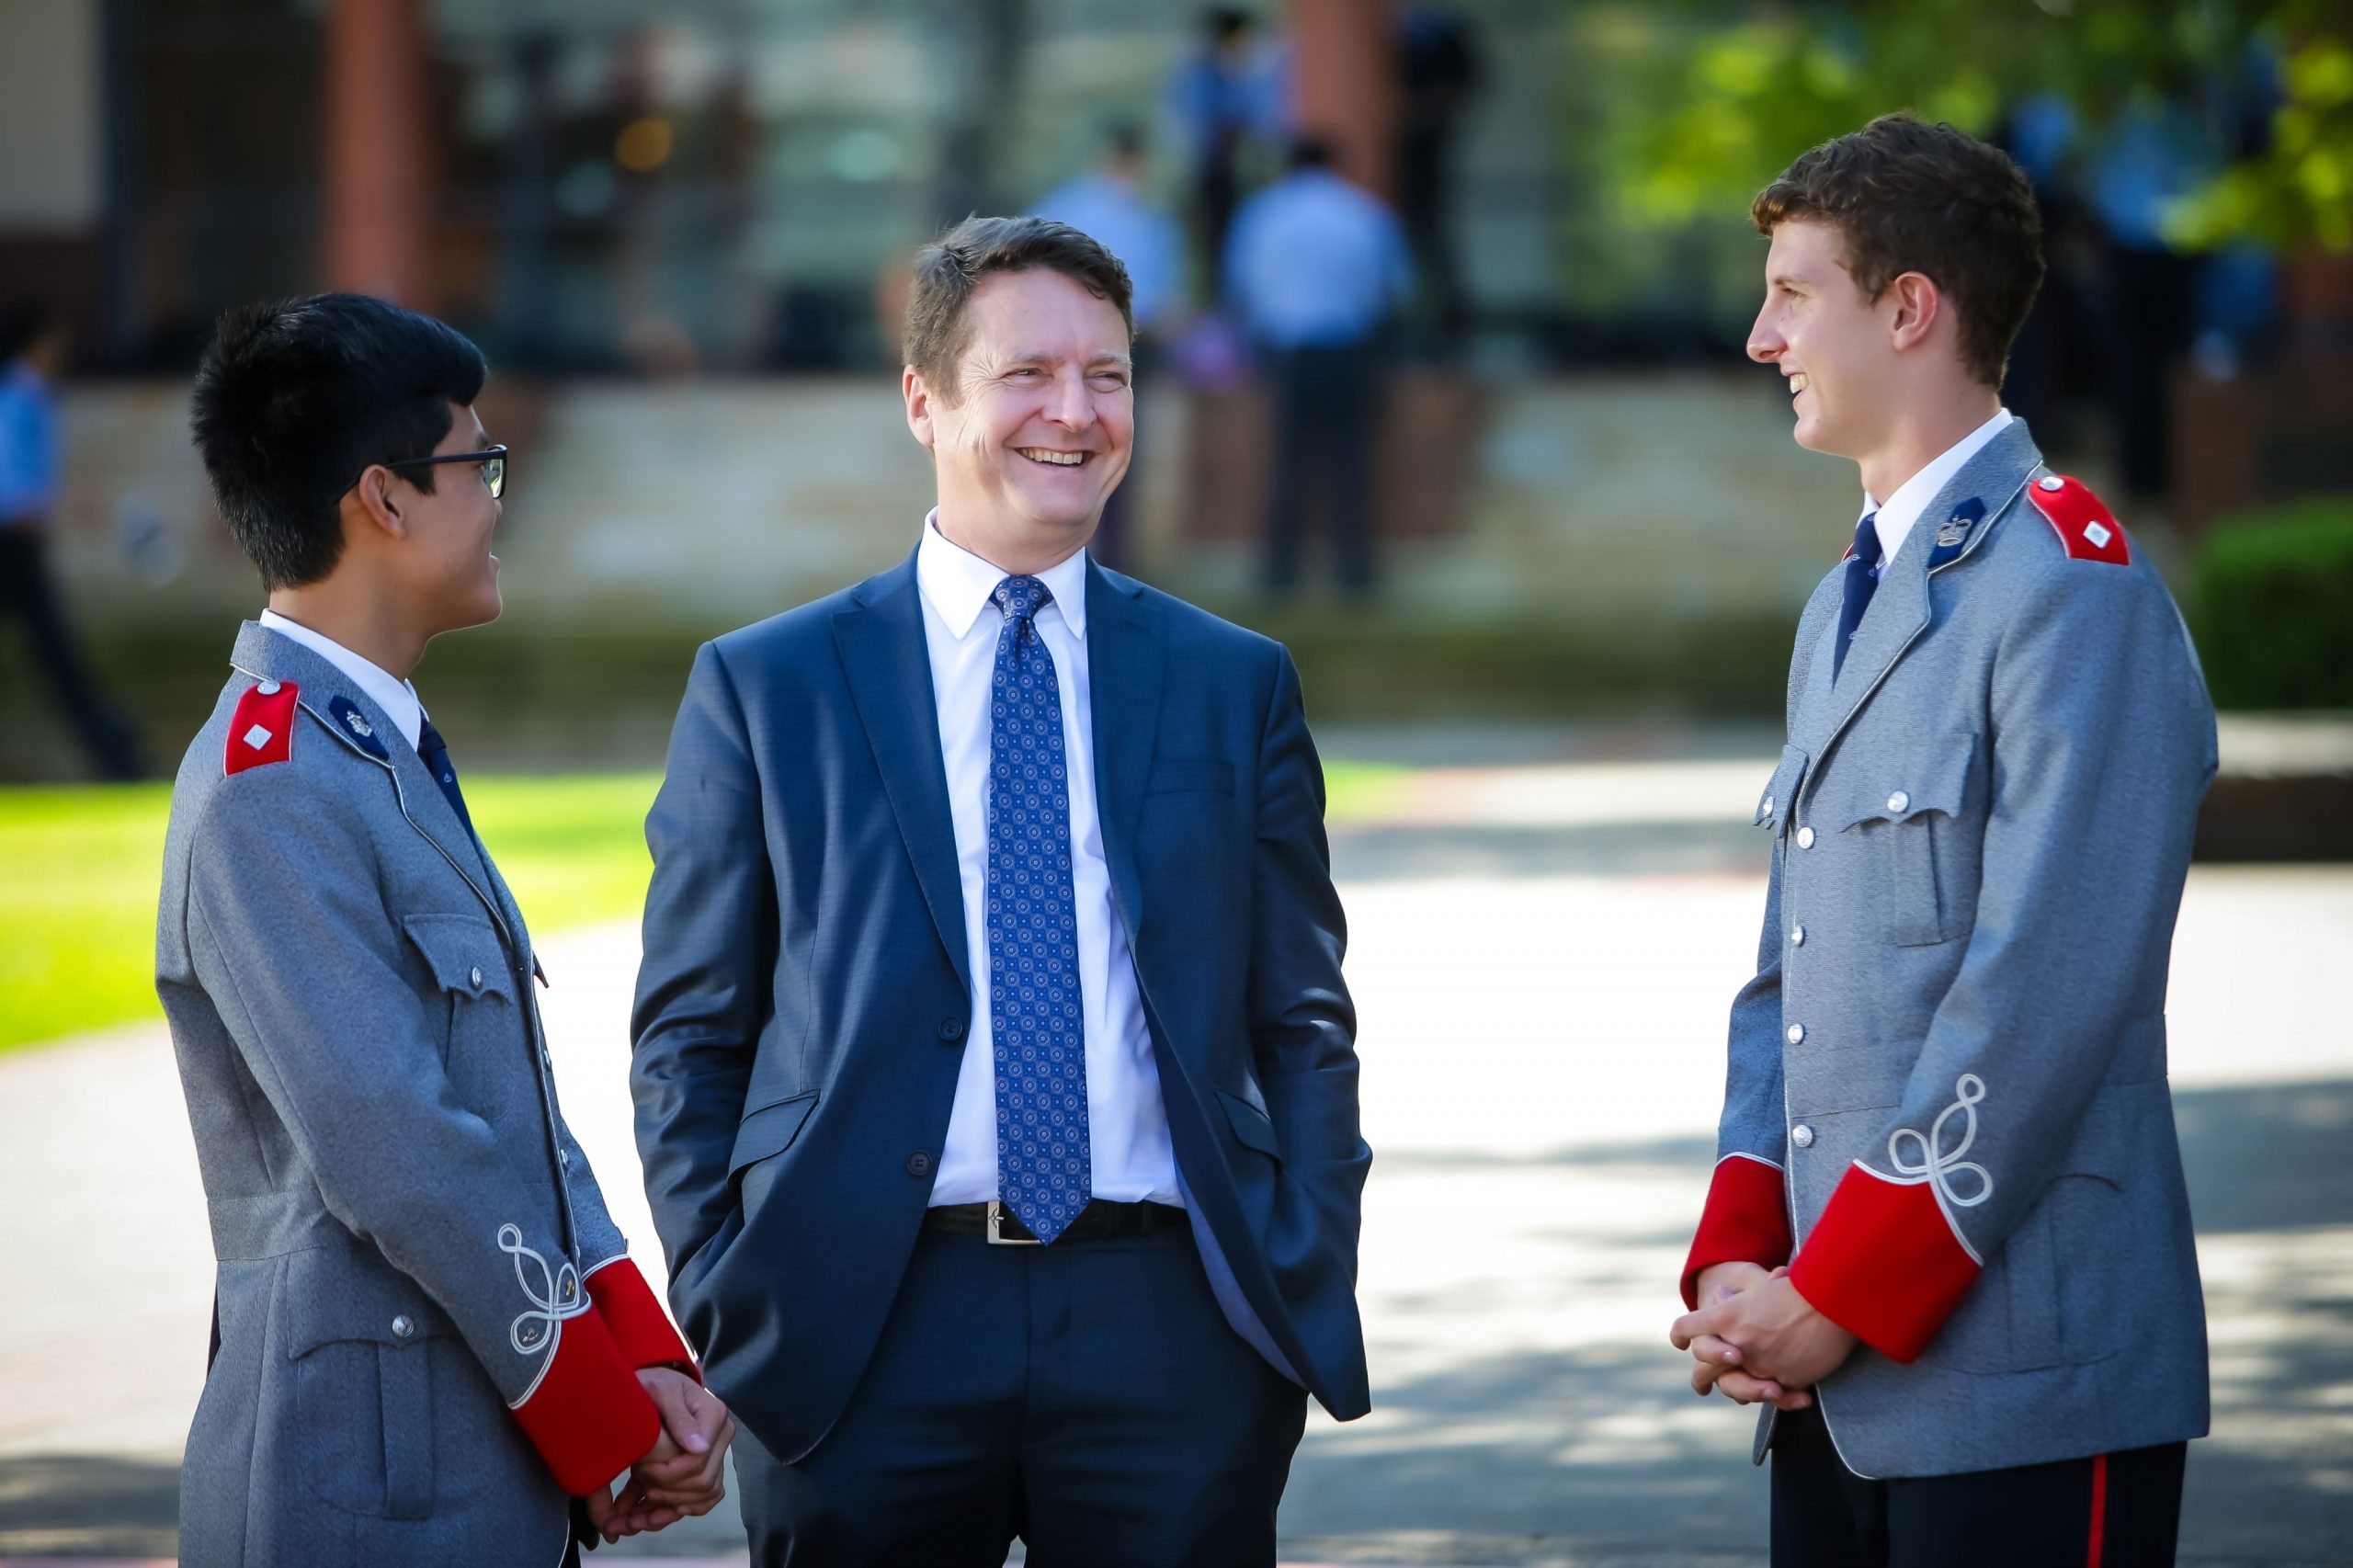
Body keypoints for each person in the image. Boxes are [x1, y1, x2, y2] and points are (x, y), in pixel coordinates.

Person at [631, 215, 1370, 1566]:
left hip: (1174, 1322)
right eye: (1029, 373)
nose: (1076, 414)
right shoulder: (766, 685)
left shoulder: (1231, 679)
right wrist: (731, 1293)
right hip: (863, 1323)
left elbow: (1303, 1015)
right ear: (925, 399)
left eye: (1111, 374)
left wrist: (1304, 1256)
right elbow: (690, 1032)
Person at [1668, 115, 2215, 1566]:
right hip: (1826, 1374)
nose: (1758, 334)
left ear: (1910, 308)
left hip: (2026, 1377)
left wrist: (1838, 1289)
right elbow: (1790, 971)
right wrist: (1747, 1252)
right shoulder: (1842, 603)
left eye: (1794, 293)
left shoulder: (2066, 586)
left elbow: (2045, 985)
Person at [159, 293, 733, 1563]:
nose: (495, 499)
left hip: (466, 1450)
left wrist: (642, 1350)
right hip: (357, 1482)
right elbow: (403, 1149)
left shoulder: (377, 747)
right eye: (478, 462)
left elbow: (504, 1108)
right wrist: (602, 1416)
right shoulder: (272, 789)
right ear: (385, 496)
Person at [1224, 138, 1412, 597]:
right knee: (1352, 462)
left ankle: (1279, 573)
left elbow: (1241, 285)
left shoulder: (1263, 215)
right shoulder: (1364, 213)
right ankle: (1355, 574)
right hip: (1351, 349)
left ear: (1288, 165)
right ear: (1335, 164)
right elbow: (1396, 290)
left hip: (1288, 353)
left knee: (1287, 463)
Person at [0, 301, 145, 780]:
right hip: (12, 550)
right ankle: (116, 755)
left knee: (61, 660)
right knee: (60, 661)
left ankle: (116, 753)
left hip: (21, 548)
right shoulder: (19, 395)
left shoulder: (36, 395)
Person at [1032, 123, 1184, 571]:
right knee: (1110, 452)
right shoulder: (1146, 218)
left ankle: (1067, 556)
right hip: (1123, 344)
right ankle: (1106, 558)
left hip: (1070, 342)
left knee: (1063, 446)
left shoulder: (1064, 206)